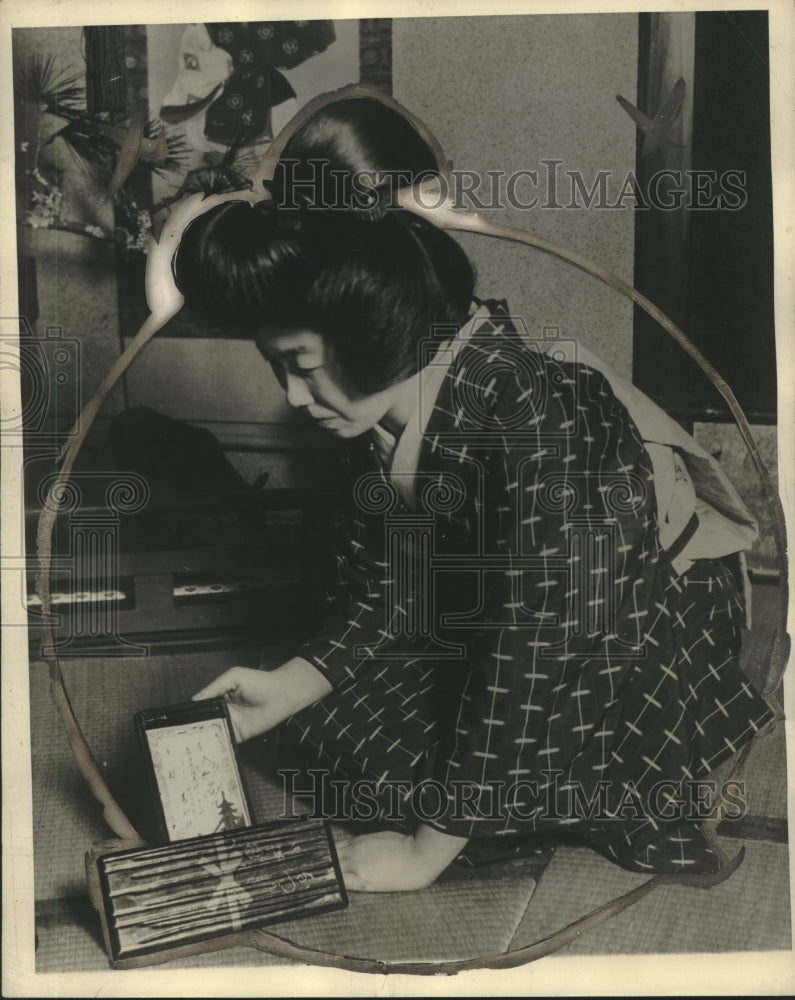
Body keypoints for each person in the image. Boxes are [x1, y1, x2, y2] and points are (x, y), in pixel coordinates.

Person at [174, 94, 774, 892]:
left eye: (302, 363)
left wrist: (427, 848)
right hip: (500, 613)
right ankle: (500, 804)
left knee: (433, 791)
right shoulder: (392, 393)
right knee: (316, 738)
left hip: (630, 625)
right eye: (274, 365)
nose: (290, 396)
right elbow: (399, 580)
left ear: (369, 325)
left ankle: (535, 809)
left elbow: (538, 645)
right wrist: (295, 680)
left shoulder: (538, 408)